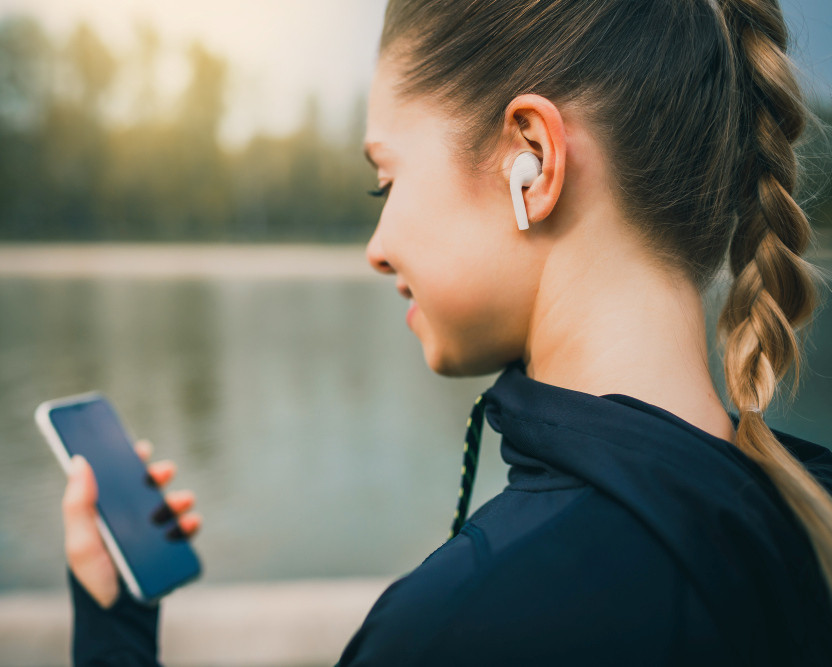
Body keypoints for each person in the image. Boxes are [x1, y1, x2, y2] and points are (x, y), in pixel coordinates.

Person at [60, 0, 832, 664]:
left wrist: (111, 637)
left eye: (386, 180)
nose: (376, 244)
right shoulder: (809, 513)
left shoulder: (460, 627)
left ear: (532, 158)